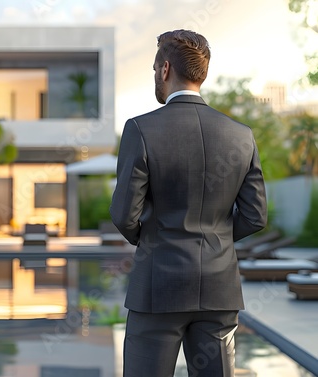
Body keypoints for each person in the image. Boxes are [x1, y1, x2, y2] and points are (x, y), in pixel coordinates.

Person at [110, 29, 267, 377]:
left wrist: (153, 239)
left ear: (165, 69)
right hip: (219, 289)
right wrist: (217, 240)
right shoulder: (241, 135)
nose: (155, 75)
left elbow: (124, 215)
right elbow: (255, 216)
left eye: (154, 68)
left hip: (157, 287)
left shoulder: (140, 129)